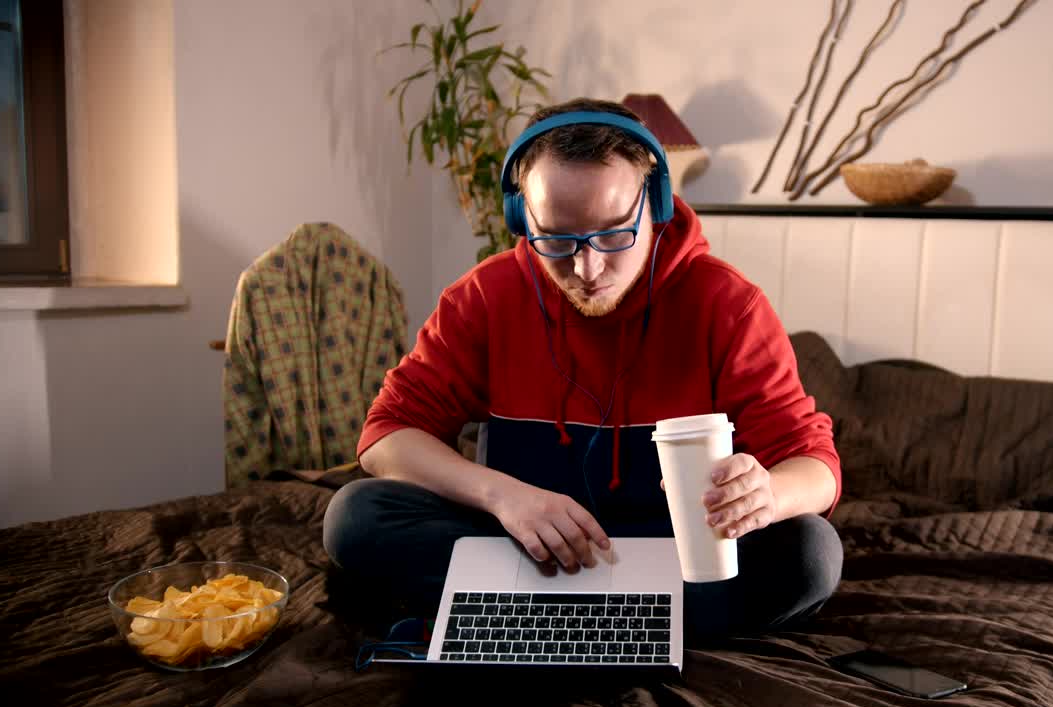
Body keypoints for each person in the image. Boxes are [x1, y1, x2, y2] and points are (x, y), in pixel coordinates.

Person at [323, 97, 843, 642]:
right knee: (356, 516)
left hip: (677, 558)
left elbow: (816, 466)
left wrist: (766, 494)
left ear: (656, 203)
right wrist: (504, 496)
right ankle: (634, 620)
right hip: (531, 547)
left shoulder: (728, 304)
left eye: (615, 234)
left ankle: (537, 613)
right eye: (557, 239)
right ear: (522, 217)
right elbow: (386, 436)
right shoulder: (482, 297)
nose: (587, 269)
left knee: (811, 552)